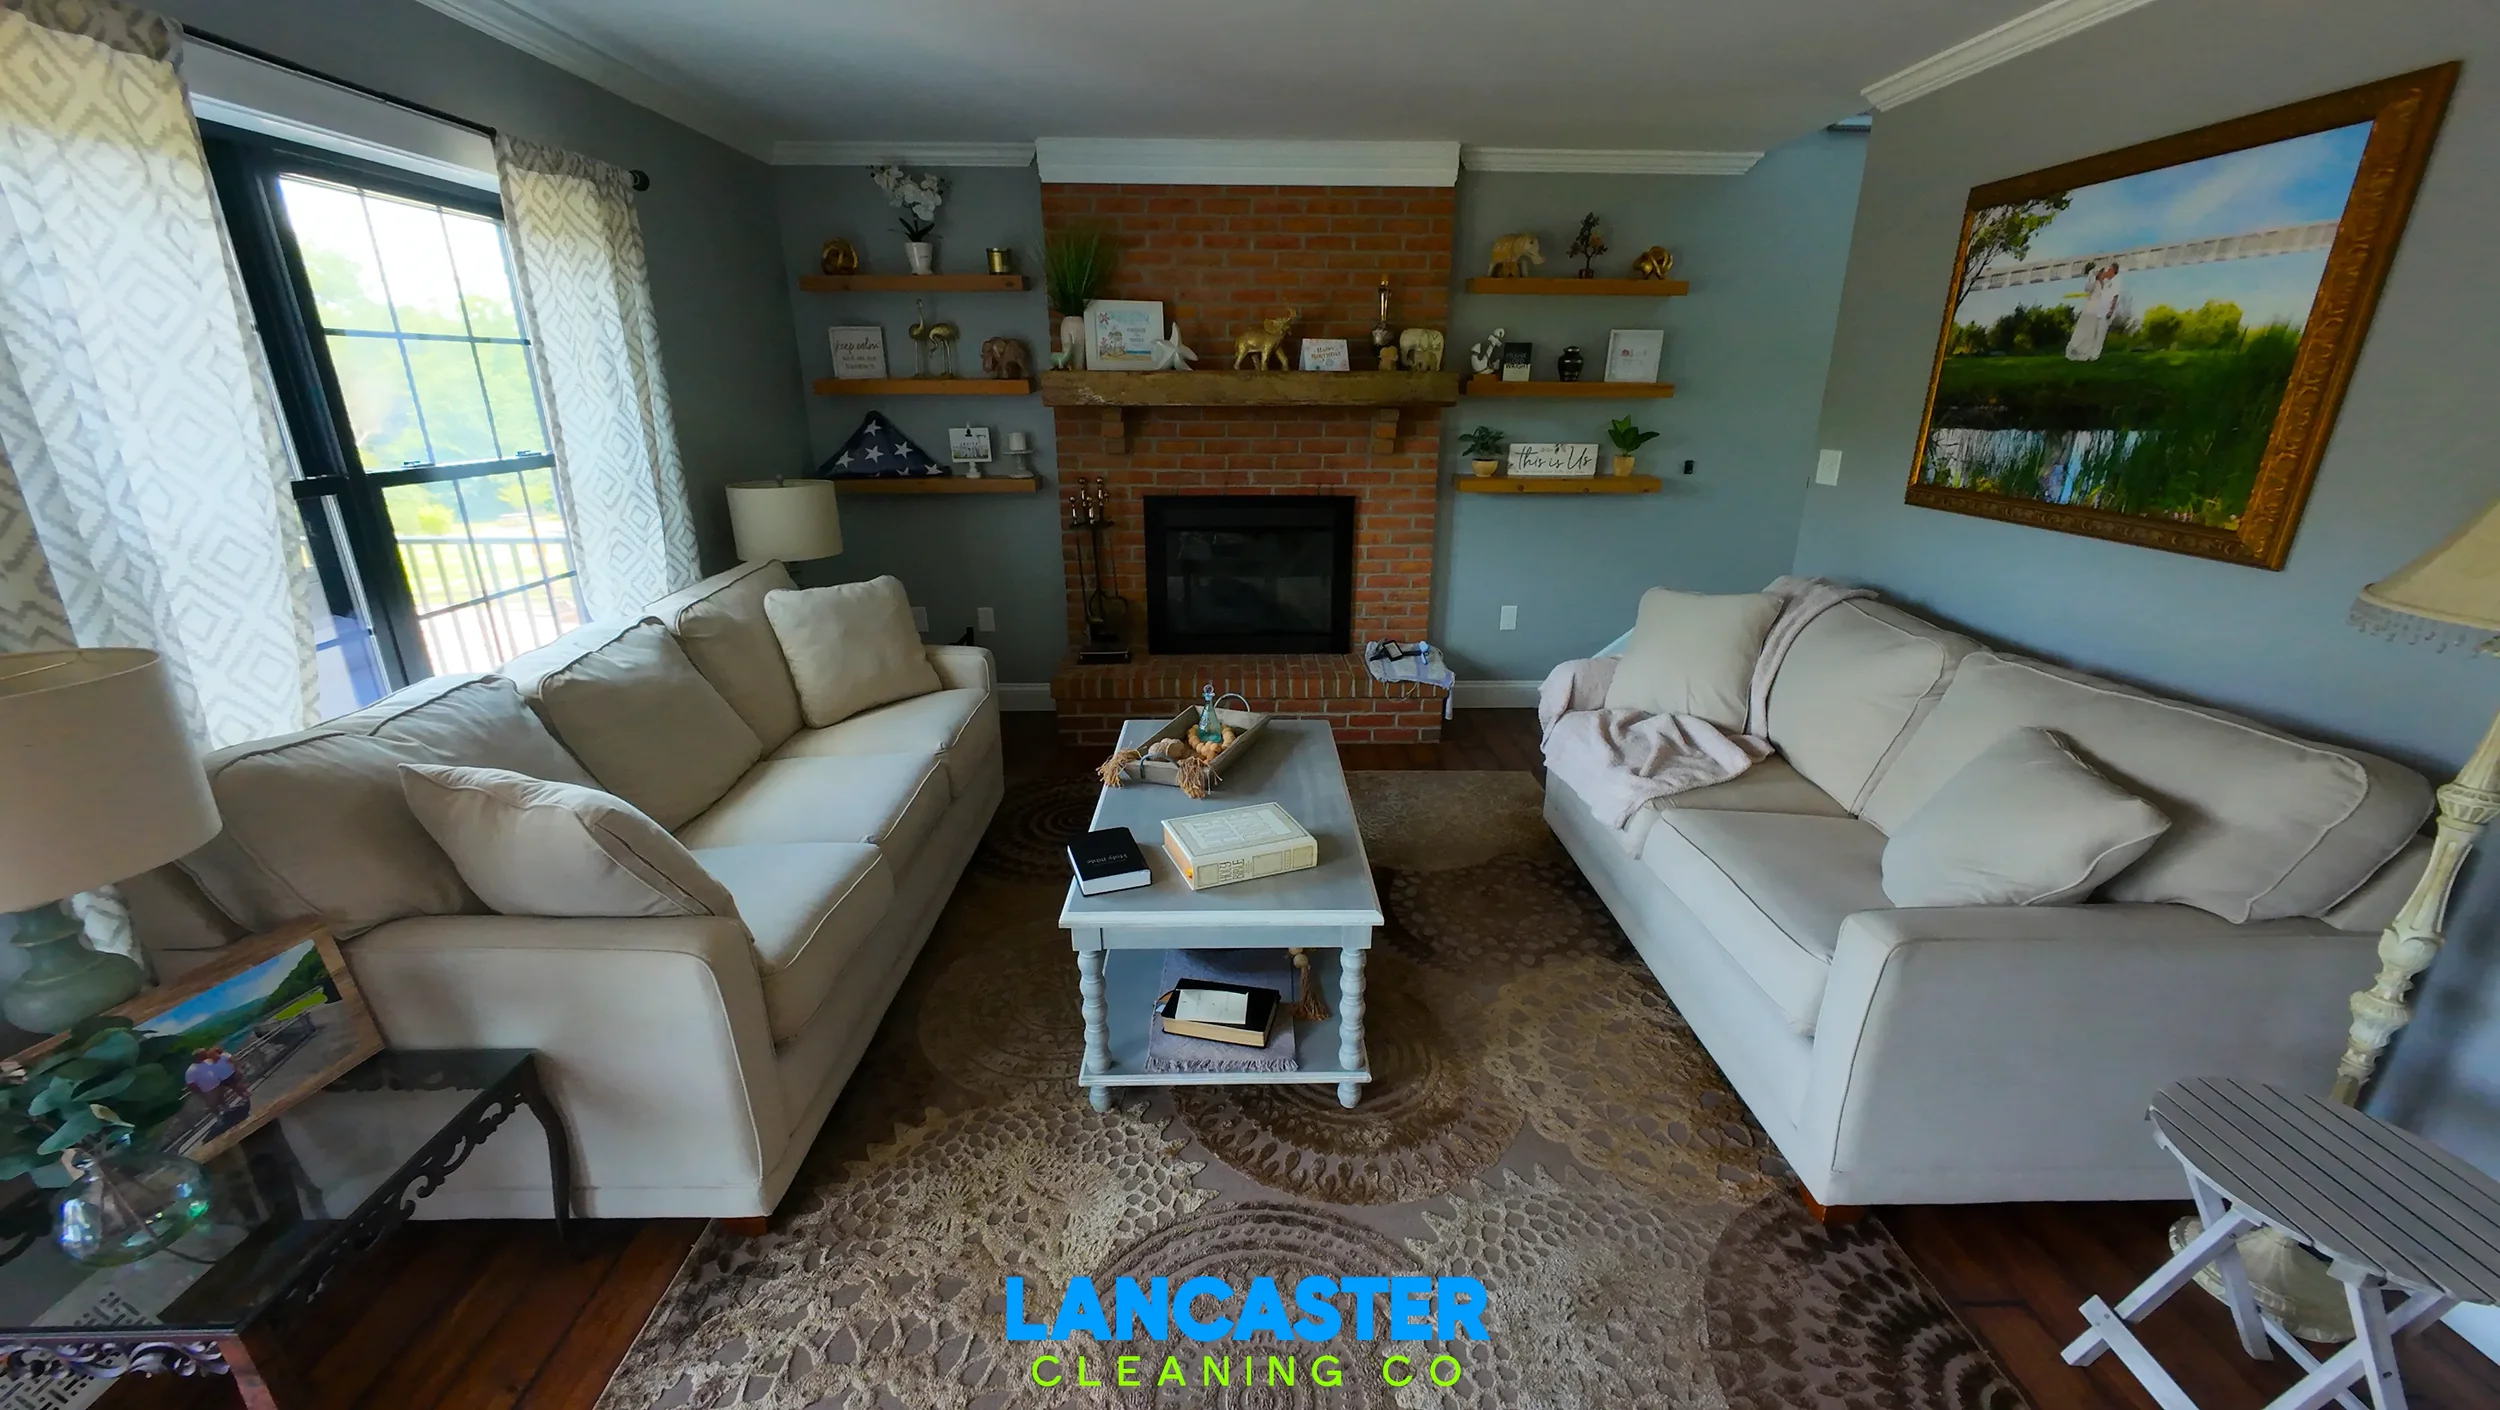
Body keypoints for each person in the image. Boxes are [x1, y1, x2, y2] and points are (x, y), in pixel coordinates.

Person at [2065, 262, 2123, 362]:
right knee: (2084, 329)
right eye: (2103, 272)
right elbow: (2087, 289)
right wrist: (2093, 279)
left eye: (2105, 271)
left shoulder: (2108, 283)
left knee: (2094, 332)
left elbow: (2113, 296)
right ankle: (2079, 350)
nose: (2103, 273)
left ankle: (2090, 353)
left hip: (2099, 310)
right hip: (2091, 308)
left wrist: (2110, 310)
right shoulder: (2094, 282)